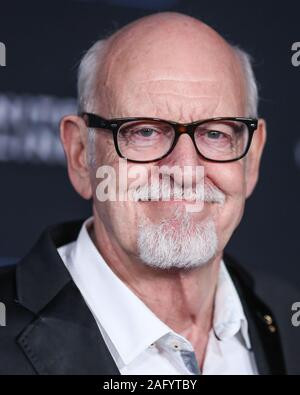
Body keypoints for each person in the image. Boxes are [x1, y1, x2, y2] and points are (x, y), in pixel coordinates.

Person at [0, 12, 298, 375]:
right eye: (144, 132)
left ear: (252, 159)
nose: (186, 170)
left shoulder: (287, 317)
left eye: (216, 134)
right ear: (81, 155)